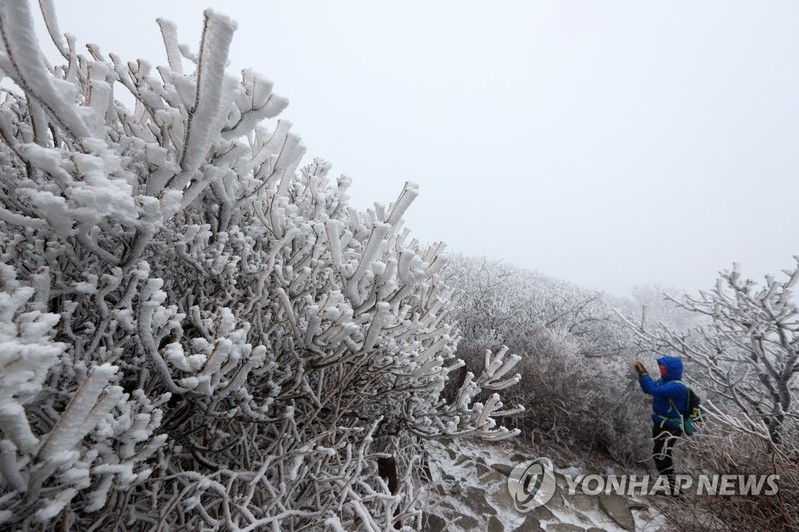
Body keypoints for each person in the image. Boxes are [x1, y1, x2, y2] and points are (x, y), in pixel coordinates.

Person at [633, 355, 689, 495]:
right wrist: (642, 374)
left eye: (663, 368)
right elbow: (648, 389)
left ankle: (674, 491)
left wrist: (644, 374)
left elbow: (654, 391)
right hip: (661, 424)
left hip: (671, 428)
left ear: (671, 370)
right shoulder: (664, 381)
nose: (661, 369)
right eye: (660, 367)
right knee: (660, 455)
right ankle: (671, 488)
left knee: (661, 455)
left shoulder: (677, 387)